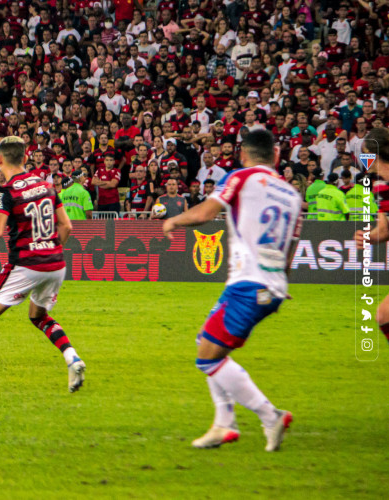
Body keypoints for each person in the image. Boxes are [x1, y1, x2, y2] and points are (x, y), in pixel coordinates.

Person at [162, 130, 302, 451]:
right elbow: (290, 249)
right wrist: (280, 281)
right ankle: (223, 424)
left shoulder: (241, 177)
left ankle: (270, 416)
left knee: (207, 358)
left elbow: (205, 213)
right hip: (272, 287)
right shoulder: (293, 196)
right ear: (276, 157)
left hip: (248, 284)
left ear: (242, 155)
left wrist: (173, 221)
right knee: (206, 342)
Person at [0, 137, 85, 395]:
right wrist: (50, 249)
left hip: (26, 263)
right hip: (55, 263)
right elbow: (67, 226)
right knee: (38, 316)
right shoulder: (46, 185)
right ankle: (73, 358)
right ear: (25, 157)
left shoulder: (4, 192)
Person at [354, 127, 389, 357]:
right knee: (384, 315)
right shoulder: (379, 186)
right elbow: (385, 230)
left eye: (365, 154)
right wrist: (368, 236)